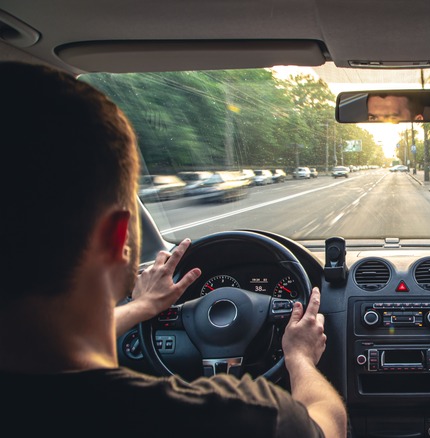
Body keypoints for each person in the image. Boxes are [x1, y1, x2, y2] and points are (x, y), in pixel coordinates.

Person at [0, 61, 347, 437]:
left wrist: (141, 309)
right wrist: (299, 357)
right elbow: (328, 424)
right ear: (117, 238)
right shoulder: (241, 418)